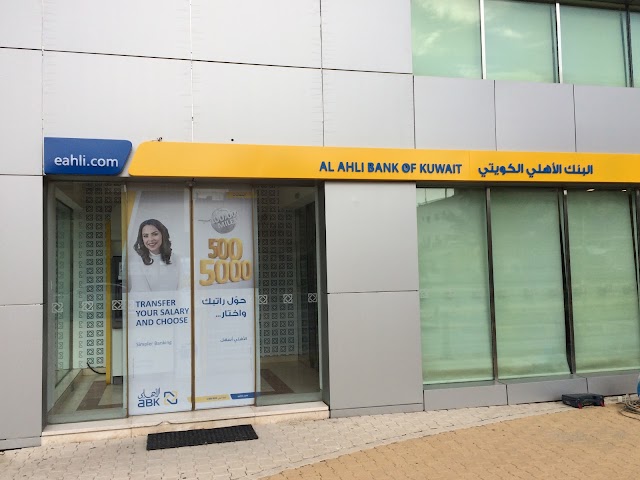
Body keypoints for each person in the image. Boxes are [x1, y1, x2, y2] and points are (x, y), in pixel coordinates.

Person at [129, 219, 181, 292]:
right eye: (145, 236)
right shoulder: (136, 260)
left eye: (155, 234)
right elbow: (141, 292)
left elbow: (182, 288)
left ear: (163, 235)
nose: (150, 239)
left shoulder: (176, 258)